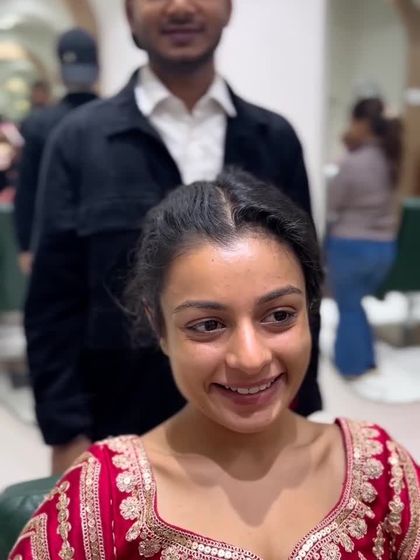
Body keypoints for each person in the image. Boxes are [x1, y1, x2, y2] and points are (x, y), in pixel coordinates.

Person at [9, 171, 420, 559]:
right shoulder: (101, 498)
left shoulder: (380, 469)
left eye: (279, 315)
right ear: (159, 327)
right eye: (208, 325)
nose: (251, 358)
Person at [25, 0, 321, 475]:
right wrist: (65, 431)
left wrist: (302, 409)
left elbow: (305, 285)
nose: (180, 7)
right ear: (128, 14)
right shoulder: (79, 140)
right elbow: (52, 302)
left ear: (228, 8)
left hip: (255, 414)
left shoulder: (274, 138)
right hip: (120, 422)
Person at [325, 97, 402, 383]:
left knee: (348, 307)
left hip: (351, 245)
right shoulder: (391, 159)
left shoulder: (352, 163)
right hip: (384, 248)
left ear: (361, 123)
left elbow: (333, 205)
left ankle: (351, 366)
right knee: (356, 304)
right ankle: (367, 358)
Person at [14, 27, 99, 275]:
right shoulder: (117, 120)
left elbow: (27, 189)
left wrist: (26, 245)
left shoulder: (39, 123)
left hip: (56, 240)